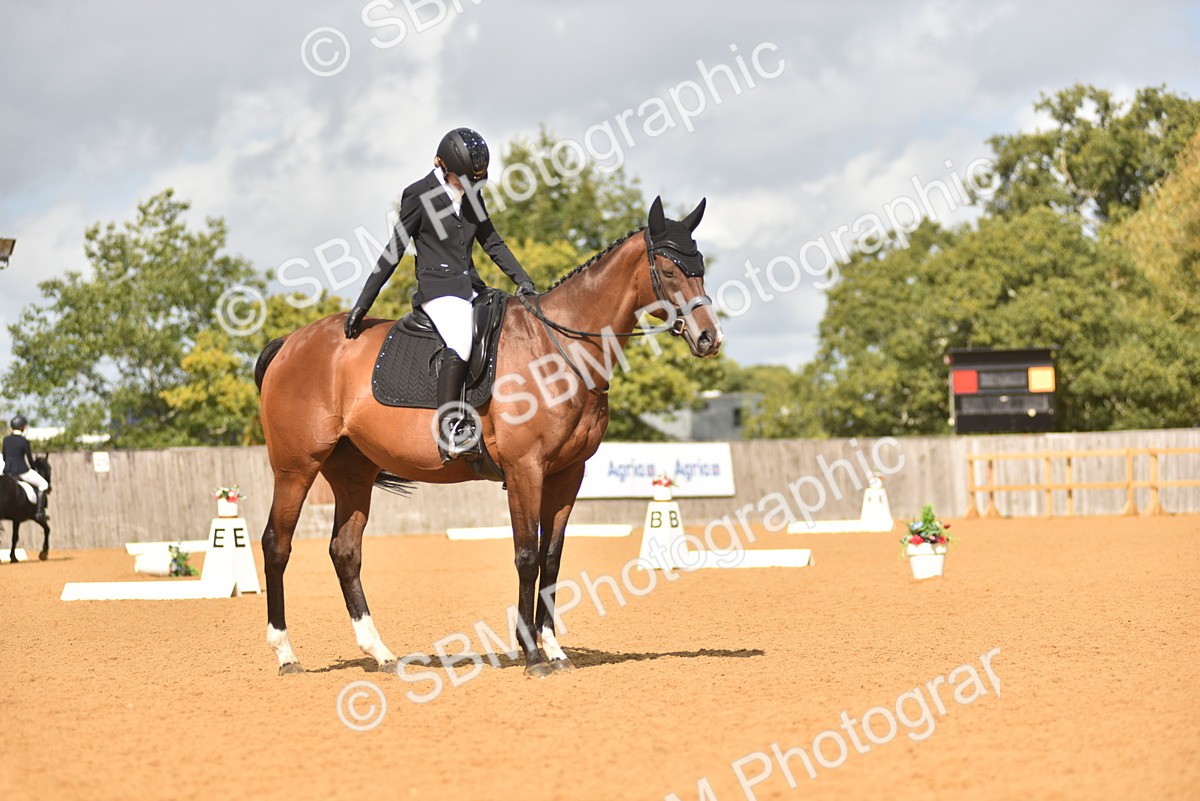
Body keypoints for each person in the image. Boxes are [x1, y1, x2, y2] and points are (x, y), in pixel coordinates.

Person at [344, 127, 537, 462]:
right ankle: (449, 426)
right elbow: (394, 251)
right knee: (461, 340)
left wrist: (524, 280)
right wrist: (363, 304)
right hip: (438, 290)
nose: (470, 185)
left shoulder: (472, 193)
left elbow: (491, 241)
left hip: (472, 288)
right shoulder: (418, 195)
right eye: (463, 178)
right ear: (442, 166)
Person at [3, 415, 48, 521]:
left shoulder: (6, 440)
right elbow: (30, 459)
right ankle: (40, 513)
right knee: (44, 484)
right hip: (22, 471)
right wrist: (34, 469)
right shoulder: (23, 441)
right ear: (22, 427)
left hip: (7, 471)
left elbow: (4, 457)